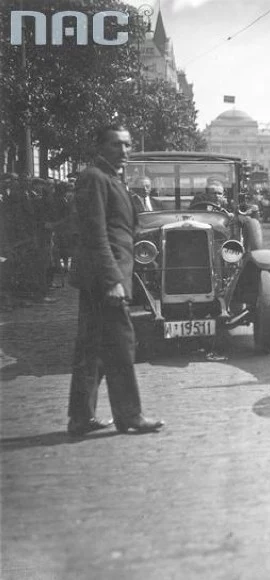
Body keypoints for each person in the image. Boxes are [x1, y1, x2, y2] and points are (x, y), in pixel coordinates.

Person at [67, 124, 163, 436]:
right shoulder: (94, 178)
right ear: (99, 146)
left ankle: (81, 418)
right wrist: (112, 280)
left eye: (127, 145)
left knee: (92, 348)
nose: (124, 151)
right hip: (104, 278)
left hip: (105, 275)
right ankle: (130, 415)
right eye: (115, 144)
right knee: (121, 345)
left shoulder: (110, 178)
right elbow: (96, 234)